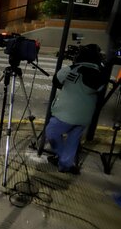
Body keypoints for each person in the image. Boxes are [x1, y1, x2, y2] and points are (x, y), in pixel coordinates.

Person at [45, 44, 105, 174]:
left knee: (52, 131)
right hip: (85, 117)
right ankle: (65, 165)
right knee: (73, 139)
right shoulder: (100, 74)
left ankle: (63, 158)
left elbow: (56, 81)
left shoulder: (73, 69)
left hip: (66, 115)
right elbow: (99, 90)